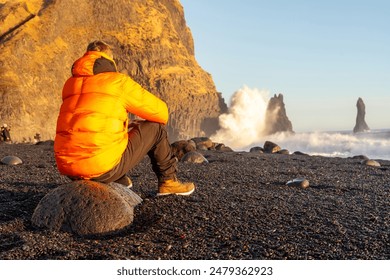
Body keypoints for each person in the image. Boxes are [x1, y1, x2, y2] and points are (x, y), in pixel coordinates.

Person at [54, 40, 195, 196]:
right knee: (156, 128)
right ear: (109, 59)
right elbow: (161, 112)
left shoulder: (70, 84)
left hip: (69, 168)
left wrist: (125, 123)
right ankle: (168, 182)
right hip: (99, 168)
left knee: (110, 131)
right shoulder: (117, 82)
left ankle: (118, 180)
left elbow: (88, 122)